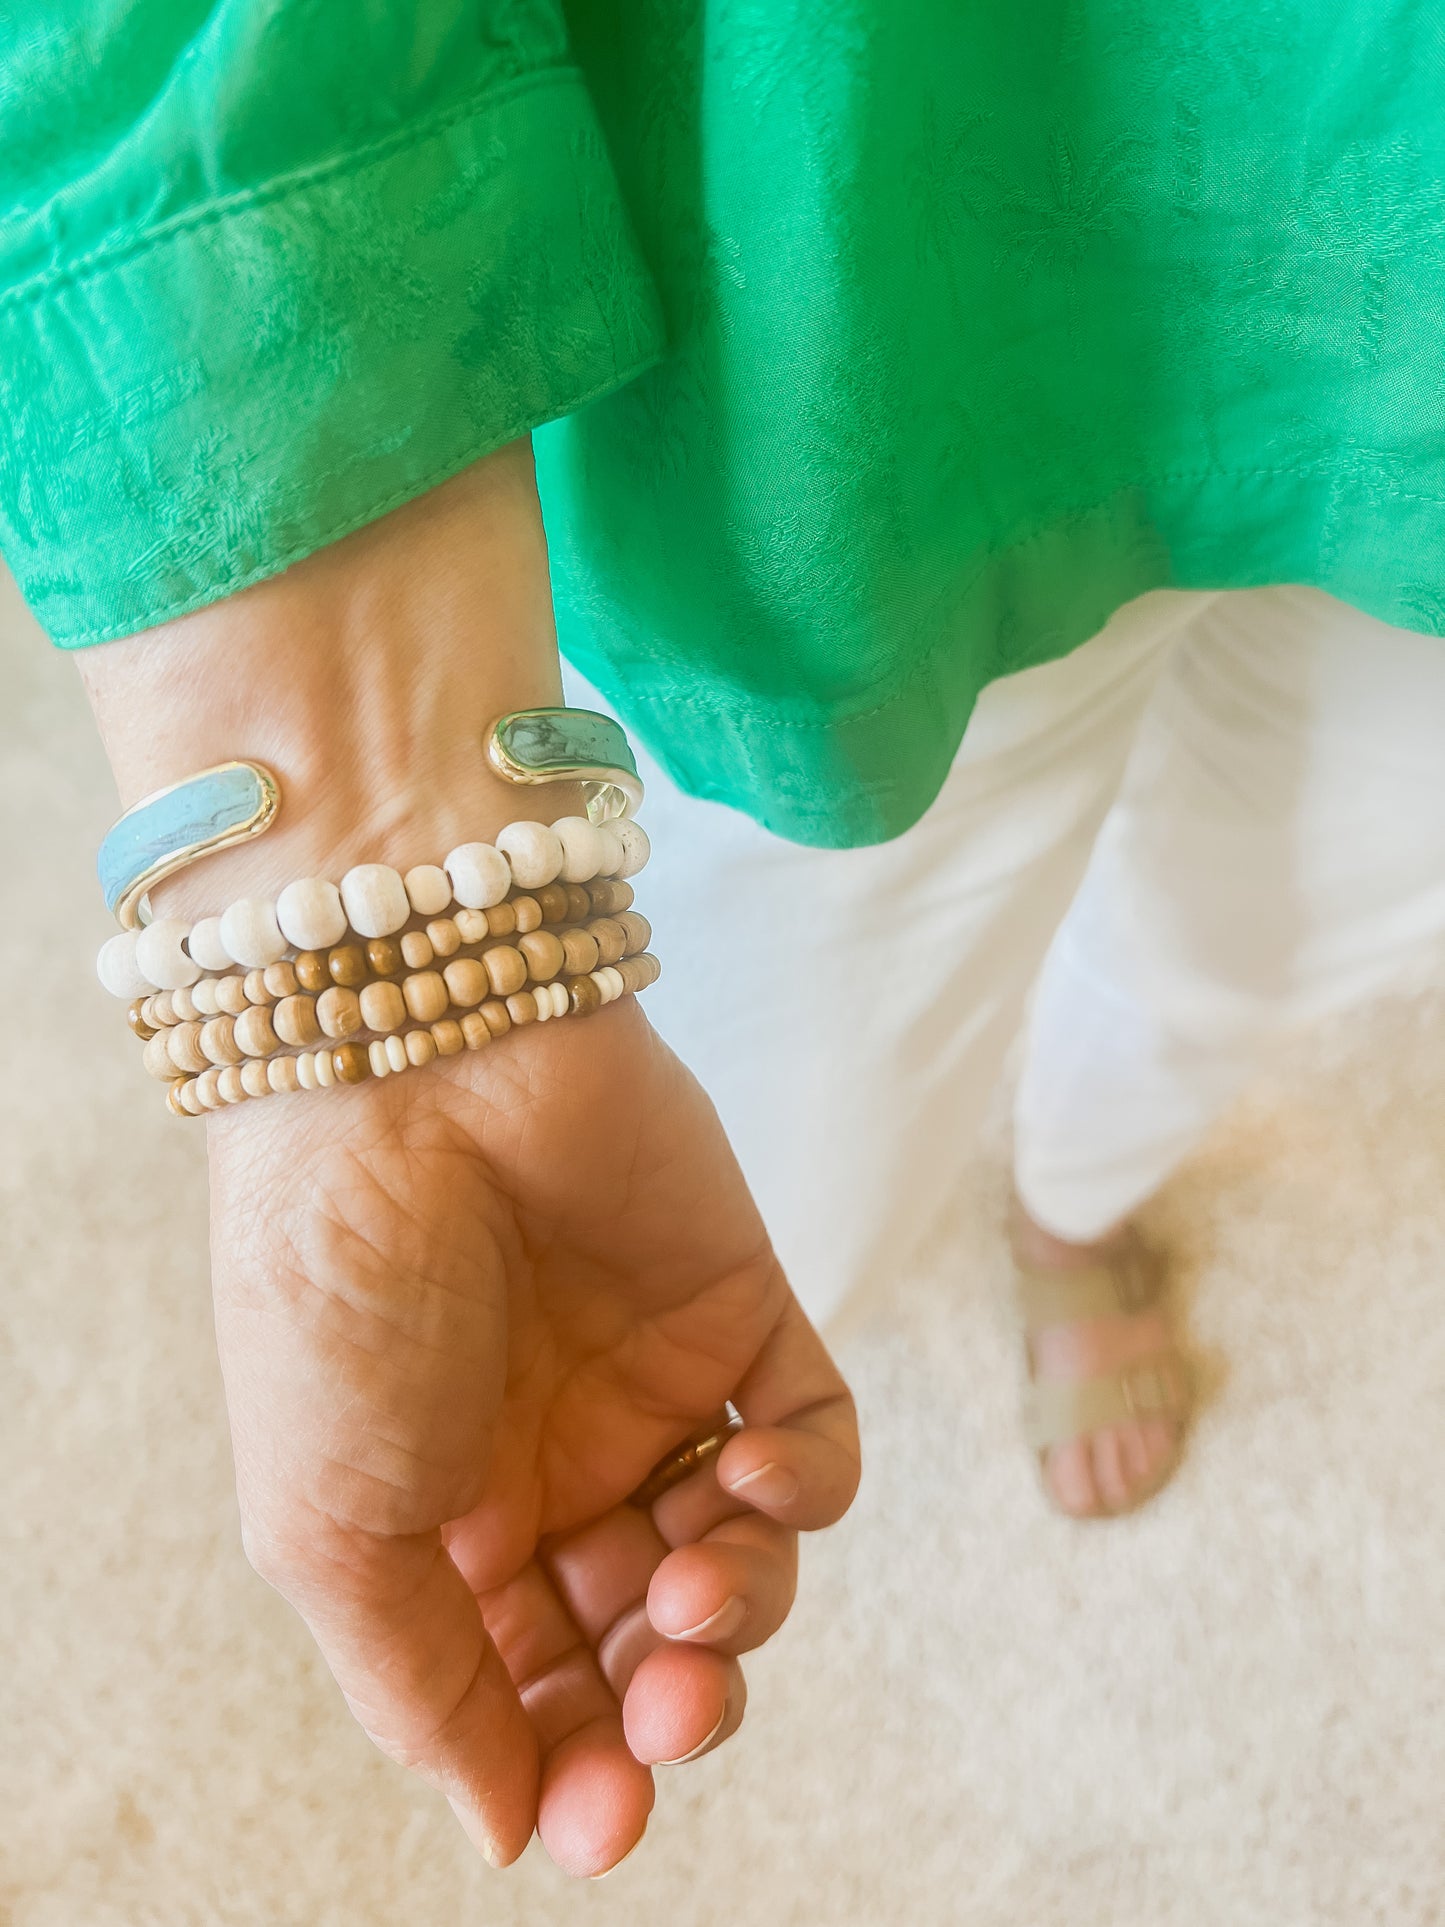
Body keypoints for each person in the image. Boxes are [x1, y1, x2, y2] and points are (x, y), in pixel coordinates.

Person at [6, 0, 1444, 1881]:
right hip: (853, 328)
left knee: (1252, 948)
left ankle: (1078, 1195)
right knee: (799, 1115)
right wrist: (379, 974)